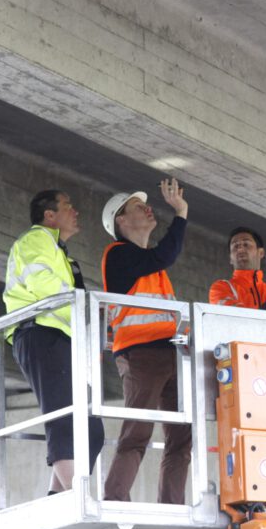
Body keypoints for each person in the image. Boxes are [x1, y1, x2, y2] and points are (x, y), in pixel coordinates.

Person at [3, 190, 105, 495]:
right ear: (50, 216)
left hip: (63, 340)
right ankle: (77, 496)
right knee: (65, 418)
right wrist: (84, 309)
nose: (75, 212)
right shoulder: (36, 240)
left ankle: (58, 495)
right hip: (41, 335)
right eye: (68, 206)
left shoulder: (60, 252)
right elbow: (46, 287)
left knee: (91, 429)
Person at [100, 178, 191, 504]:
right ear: (121, 222)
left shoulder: (151, 263)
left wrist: (185, 343)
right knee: (137, 431)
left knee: (182, 437)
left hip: (170, 353)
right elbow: (165, 255)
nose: (147, 208)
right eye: (138, 207)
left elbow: (169, 316)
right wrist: (180, 214)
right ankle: (114, 497)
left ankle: (173, 506)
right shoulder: (119, 254)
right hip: (140, 355)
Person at [208, 227, 266, 309]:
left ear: (261, 253)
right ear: (230, 258)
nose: (240, 249)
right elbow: (234, 316)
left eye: (246, 244)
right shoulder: (221, 288)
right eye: (235, 246)